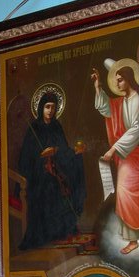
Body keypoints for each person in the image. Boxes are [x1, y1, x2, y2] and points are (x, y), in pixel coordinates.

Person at [91, 62, 139, 254]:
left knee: (138, 192)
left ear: (129, 79)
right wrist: (98, 87)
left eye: (120, 80)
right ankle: (133, 237)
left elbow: (137, 128)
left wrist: (113, 149)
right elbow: (107, 109)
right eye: (116, 80)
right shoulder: (121, 101)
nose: (117, 83)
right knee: (125, 193)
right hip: (128, 155)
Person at [17, 89, 86, 250]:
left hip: (56, 168)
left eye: (53, 107)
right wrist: (41, 155)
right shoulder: (34, 128)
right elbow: (25, 158)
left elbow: (64, 150)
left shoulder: (56, 126)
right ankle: (46, 233)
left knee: (63, 180)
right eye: (47, 107)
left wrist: (73, 153)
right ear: (41, 107)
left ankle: (60, 230)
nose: (50, 110)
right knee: (48, 184)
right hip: (37, 173)